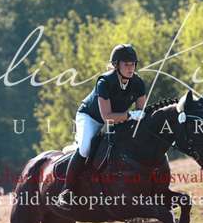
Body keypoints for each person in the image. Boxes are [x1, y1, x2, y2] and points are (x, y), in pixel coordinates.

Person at [58, 44, 147, 208]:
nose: (131, 68)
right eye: (126, 64)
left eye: (133, 64)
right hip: (91, 117)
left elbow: (140, 112)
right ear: (116, 65)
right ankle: (66, 190)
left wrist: (140, 117)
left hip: (118, 119)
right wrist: (130, 115)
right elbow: (106, 117)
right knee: (85, 148)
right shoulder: (105, 81)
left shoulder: (138, 83)